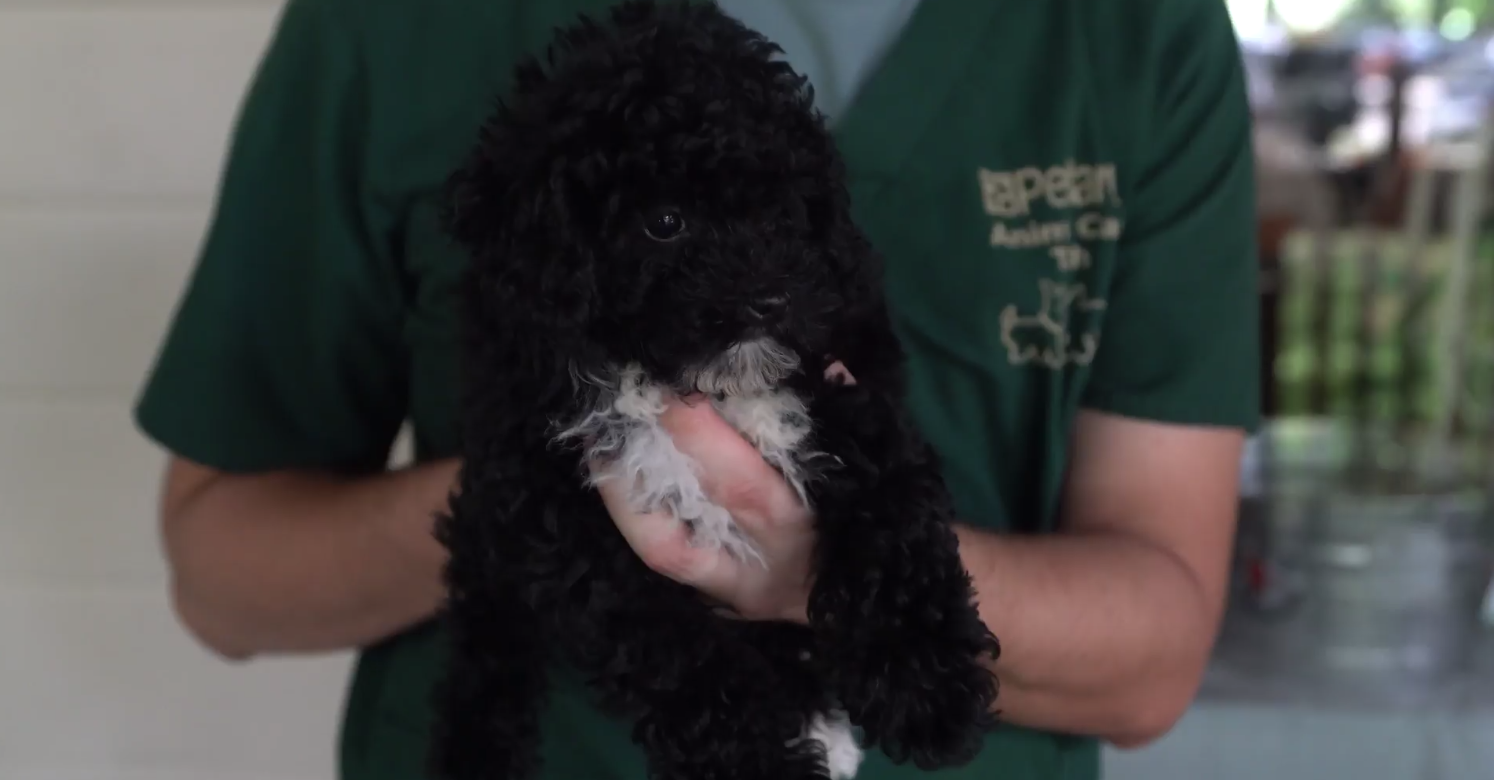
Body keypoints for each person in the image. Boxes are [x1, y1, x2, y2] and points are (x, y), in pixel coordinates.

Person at [133, 0, 1259, 778]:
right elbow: (221, 574)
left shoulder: (1138, 33)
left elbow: (1154, 660)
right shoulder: (386, 28)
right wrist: (538, 498)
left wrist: (817, 571)